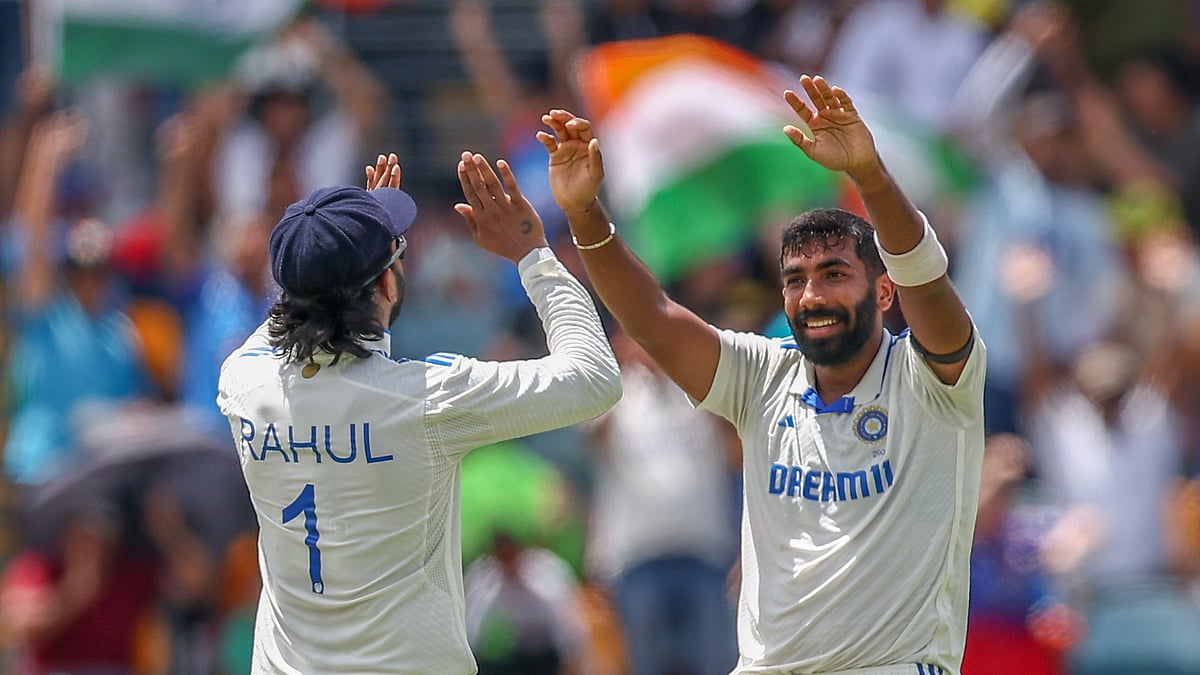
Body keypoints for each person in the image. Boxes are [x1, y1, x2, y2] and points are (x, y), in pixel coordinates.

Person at [538, 74, 986, 673]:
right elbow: (651, 318)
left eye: (834, 275)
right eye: (796, 280)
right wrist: (585, 214)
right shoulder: (763, 376)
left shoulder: (932, 379)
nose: (812, 295)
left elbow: (925, 279)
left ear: (884, 292)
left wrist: (870, 176)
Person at [216, 153, 621, 674]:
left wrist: (337, 243)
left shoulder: (244, 381)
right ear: (386, 286)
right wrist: (532, 254)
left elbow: (288, 314)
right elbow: (594, 377)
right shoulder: (426, 399)